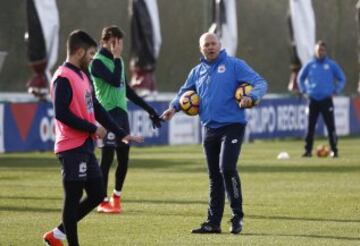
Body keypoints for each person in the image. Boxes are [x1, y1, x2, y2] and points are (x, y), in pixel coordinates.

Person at [42, 30, 143, 246]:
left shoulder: (83, 74)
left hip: (85, 146)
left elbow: (96, 108)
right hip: (70, 147)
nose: (92, 58)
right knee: (73, 197)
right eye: (90, 54)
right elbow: (61, 113)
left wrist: (121, 132)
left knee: (98, 195)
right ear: (79, 52)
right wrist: (92, 128)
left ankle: (57, 234)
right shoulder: (63, 77)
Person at [161, 32, 267, 234]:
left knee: (226, 168)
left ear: (220, 45)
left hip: (233, 125)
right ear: (201, 49)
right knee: (214, 177)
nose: (210, 47)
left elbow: (261, 82)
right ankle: (213, 223)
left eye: (213, 43)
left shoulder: (235, 65)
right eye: (206, 45)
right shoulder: (197, 71)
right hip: (209, 129)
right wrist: (173, 108)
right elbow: (183, 92)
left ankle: (237, 217)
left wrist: (251, 96)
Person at [89, 25, 162, 213]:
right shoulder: (97, 62)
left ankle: (116, 196)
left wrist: (149, 109)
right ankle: (102, 200)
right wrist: (118, 58)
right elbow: (113, 80)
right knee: (106, 159)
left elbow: (127, 90)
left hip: (121, 115)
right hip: (106, 114)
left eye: (120, 42)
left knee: (124, 159)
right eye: (114, 41)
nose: (118, 45)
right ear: (104, 41)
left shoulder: (117, 62)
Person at [297, 40, 346, 158]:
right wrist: (304, 90)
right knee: (310, 127)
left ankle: (334, 150)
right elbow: (300, 78)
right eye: (318, 50)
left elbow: (342, 78)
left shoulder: (331, 65)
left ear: (325, 51)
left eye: (322, 50)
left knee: (330, 126)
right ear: (315, 50)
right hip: (313, 99)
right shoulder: (309, 64)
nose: (320, 52)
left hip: (326, 99)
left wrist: (336, 90)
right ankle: (307, 151)